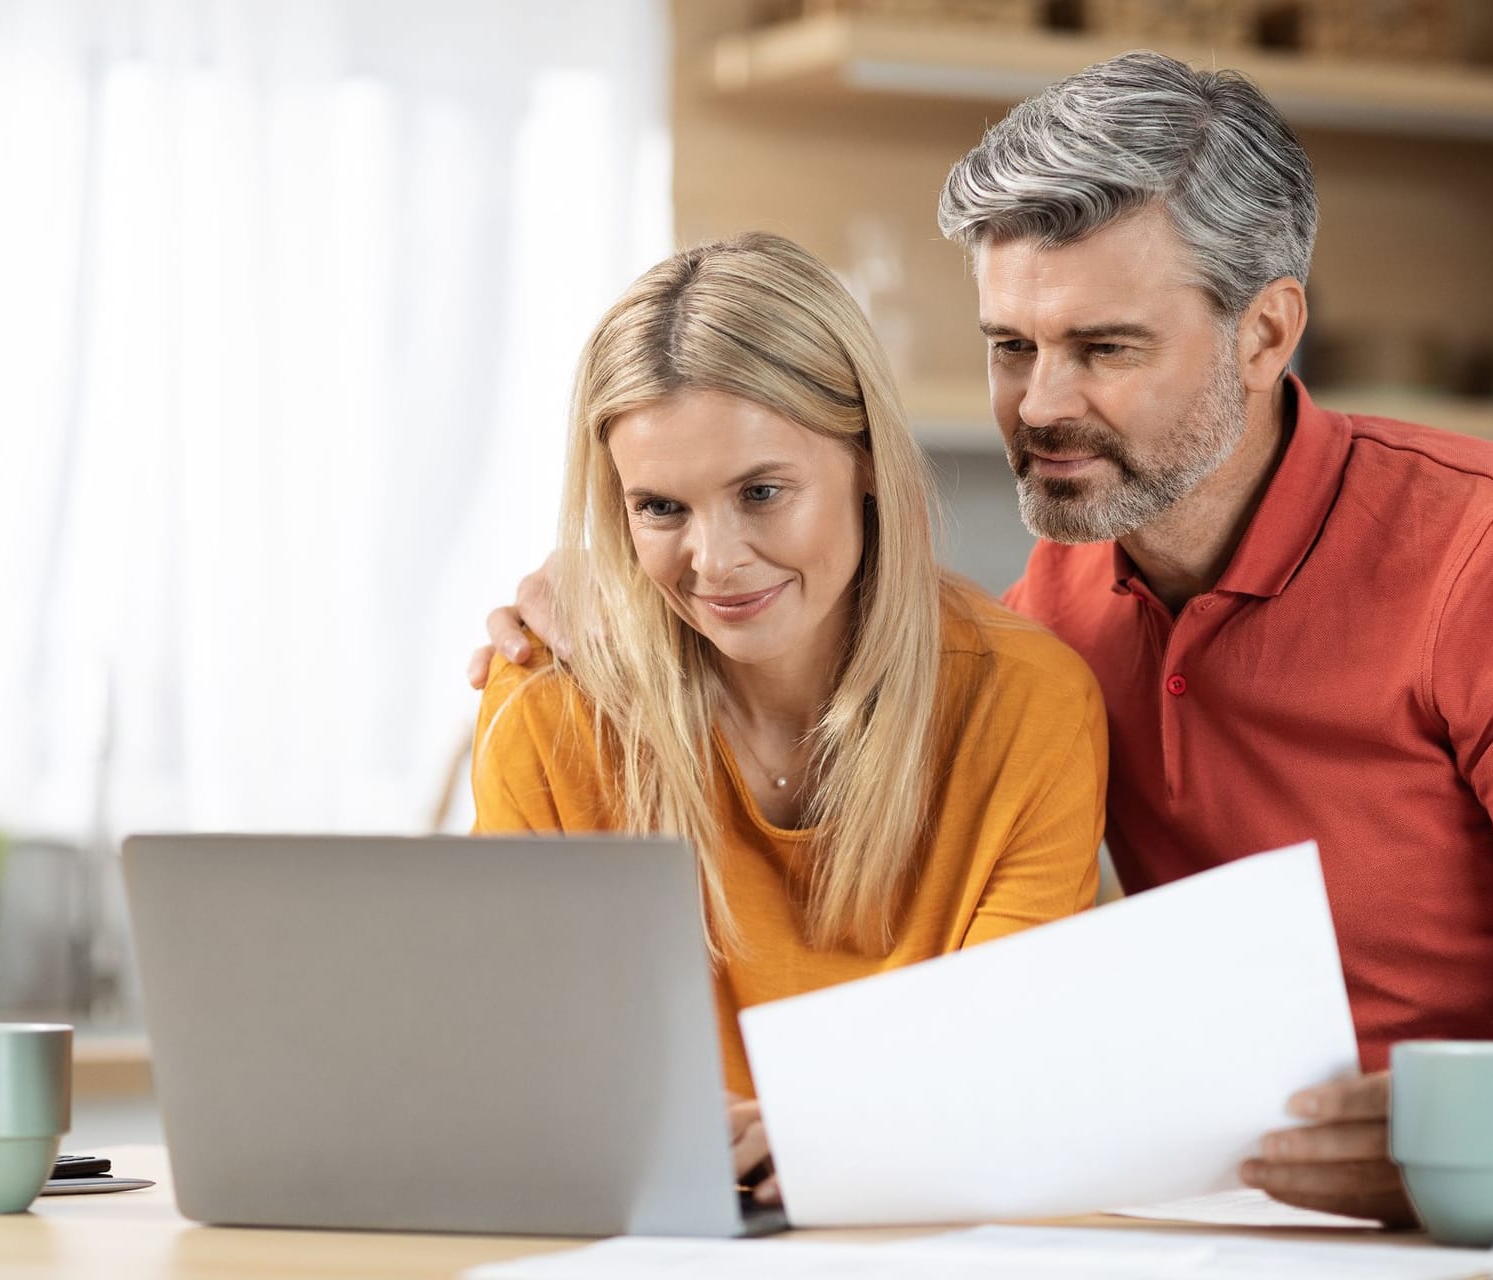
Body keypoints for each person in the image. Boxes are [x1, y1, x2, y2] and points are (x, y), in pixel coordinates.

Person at [474, 55, 1493, 1222]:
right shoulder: (1057, 609)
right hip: (1270, 1217)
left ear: (1268, 334)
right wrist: (609, 590)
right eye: (1012, 347)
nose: (1044, 404)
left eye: (1106, 348)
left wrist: (1464, 1148)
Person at [468, 231, 1107, 1203]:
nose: (714, 561)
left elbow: (1003, 1081)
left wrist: (825, 1136)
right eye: (660, 507)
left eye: (761, 491)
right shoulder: (550, 709)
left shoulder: (1027, 706)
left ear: (864, 461)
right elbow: (511, 1074)